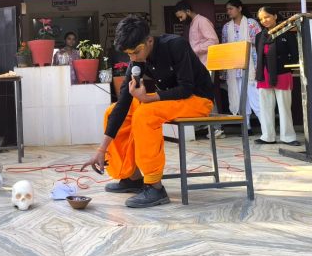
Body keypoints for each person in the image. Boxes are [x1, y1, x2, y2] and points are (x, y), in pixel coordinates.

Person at [81, 15, 214, 208]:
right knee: (113, 111)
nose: (133, 58)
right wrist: (101, 150)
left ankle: (155, 186)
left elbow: (186, 88)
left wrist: (149, 98)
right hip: (172, 99)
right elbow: (123, 102)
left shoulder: (176, 45)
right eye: (129, 54)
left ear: (149, 41)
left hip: (198, 99)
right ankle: (133, 177)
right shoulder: (137, 60)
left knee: (145, 114)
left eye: (136, 52)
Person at [254, 6, 300, 146]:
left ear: (275, 16)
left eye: (267, 17)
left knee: (284, 107)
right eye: (261, 19)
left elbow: (295, 55)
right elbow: (260, 56)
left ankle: (288, 137)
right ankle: (267, 136)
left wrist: (286, 66)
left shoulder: (287, 34)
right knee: (265, 107)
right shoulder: (259, 36)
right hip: (264, 74)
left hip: (282, 73)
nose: (264, 21)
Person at [174, 0, 220, 138]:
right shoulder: (194, 23)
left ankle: (216, 127)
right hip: (199, 66)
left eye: (181, 16)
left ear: (188, 11)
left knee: (207, 94)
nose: (181, 20)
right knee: (200, 94)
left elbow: (213, 41)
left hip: (206, 64)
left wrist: (193, 50)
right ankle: (205, 124)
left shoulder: (202, 21)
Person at [221, 0, 262, 135]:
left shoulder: (251, 23)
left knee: (256, 98)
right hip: (234, 69)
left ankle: (266, 129)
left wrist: (258, 66)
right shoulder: (226, 27)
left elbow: (259, 44)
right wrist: (224, 71)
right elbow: (225, 48)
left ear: (239, 8)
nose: (228, 12)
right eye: (227, 9)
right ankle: (247, 127)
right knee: (241, 100)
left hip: (251, 67)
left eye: (231, 8)